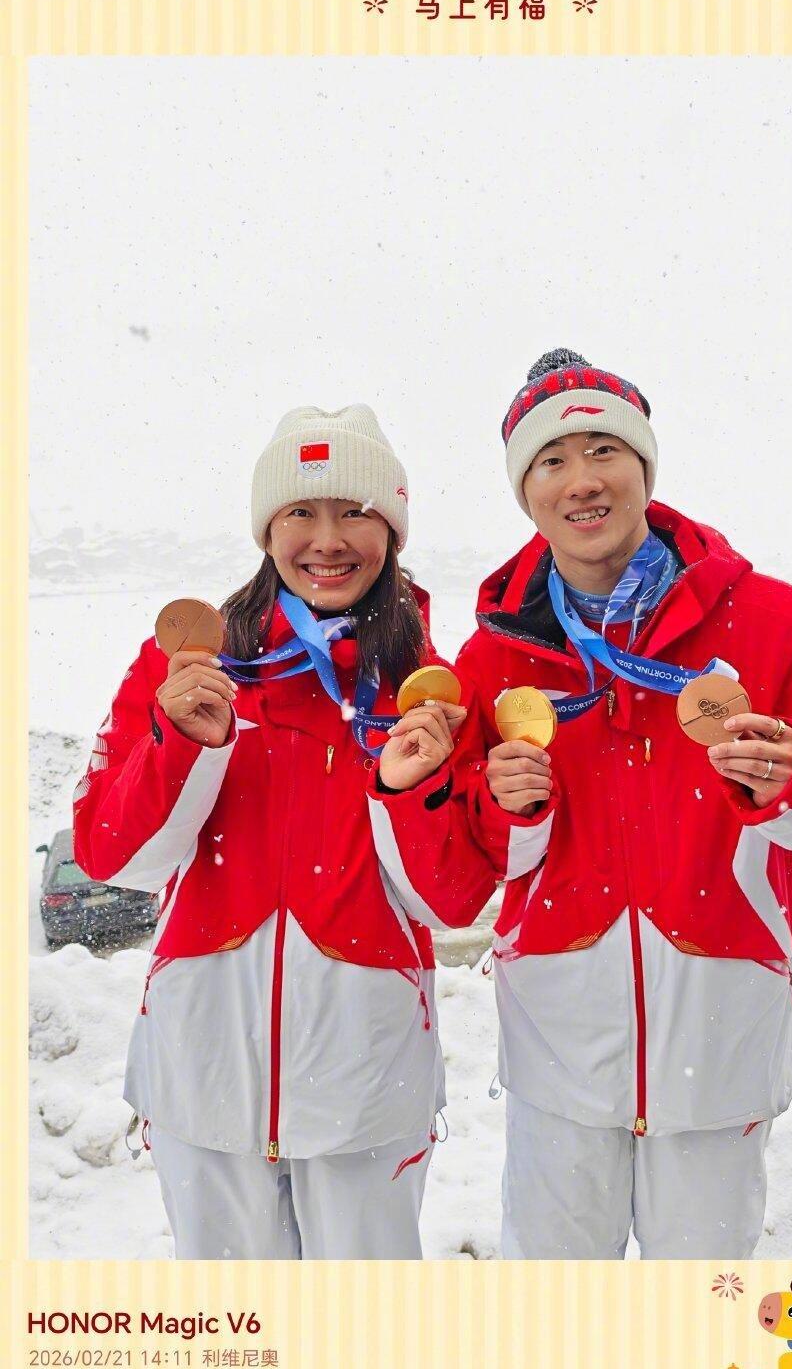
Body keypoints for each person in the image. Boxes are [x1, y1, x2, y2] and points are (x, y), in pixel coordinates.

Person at [456, 348, 792, 1260]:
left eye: (603, 450)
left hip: (719, 1026)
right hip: (558, 1037)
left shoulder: (773, 620)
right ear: (526, 492)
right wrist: (505, 807)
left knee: (700, 1308)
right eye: (551, 459)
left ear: (644, 467)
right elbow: (468, 853)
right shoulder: (495, 656)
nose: (582, 479)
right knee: (554, 1313)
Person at [73, 403, 495, 1260]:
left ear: (392, 530)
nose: (328, 540)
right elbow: (114, 856)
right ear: (267, 528)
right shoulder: (186, 667)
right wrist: (179, 742)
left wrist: (407, 787)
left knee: (362, 1328)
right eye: (301, 510)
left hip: (366, 1080)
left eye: (355, 512)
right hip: (203, 1072)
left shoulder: (427, 688)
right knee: (237, 1325)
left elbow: (452, 900)